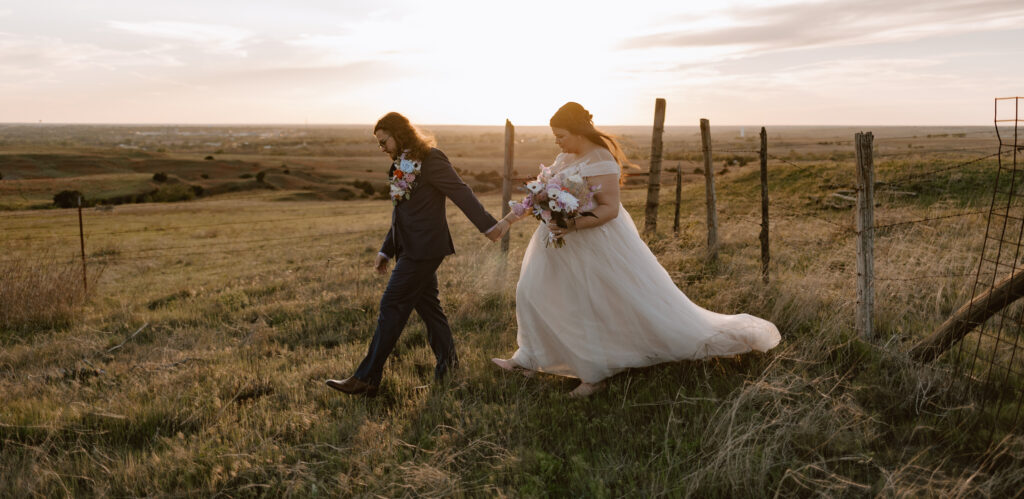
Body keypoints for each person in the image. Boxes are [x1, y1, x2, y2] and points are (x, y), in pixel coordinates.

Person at [491, 102, 780, 397]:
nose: (558, 142)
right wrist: (505, 222)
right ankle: (528, 358)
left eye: (561, 135)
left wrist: (571, 225)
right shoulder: (564, 156)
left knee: (588, 303)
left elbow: (610, 209)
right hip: (555, 242)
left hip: (592, 242)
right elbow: (539, 196)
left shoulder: (602, 160)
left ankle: (593, 376)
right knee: (531, 292)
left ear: (578, 132)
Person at [327, 112, 510, 396]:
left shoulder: (432, 159)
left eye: (384, 141)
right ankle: (449, 370)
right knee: (430, 310)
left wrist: (489, 227)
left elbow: (460, 192)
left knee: (391, 305)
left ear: (400, 134)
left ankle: (367, 378)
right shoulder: (400, 165)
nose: (382, 148)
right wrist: (385, 250)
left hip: (425, 248)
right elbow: (401, 211)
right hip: (407, 248)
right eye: (379, 144)